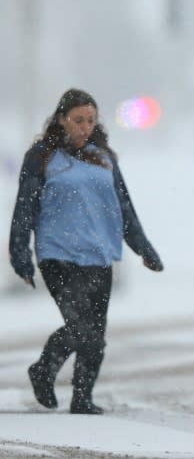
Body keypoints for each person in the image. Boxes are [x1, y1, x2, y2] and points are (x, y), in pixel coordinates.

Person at [9, 88, 163, 415]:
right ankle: (43, 370)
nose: (84, 127)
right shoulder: (42, 156)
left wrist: (143, 247)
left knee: (96, 336)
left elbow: (124, 207)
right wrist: (19, 252)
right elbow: (24, 207)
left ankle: (82, 398)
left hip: (98, 254)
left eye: (90, 120)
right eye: (78, 120)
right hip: (57, 253)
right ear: (62, 119)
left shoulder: (105, 157)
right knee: (81, 328)